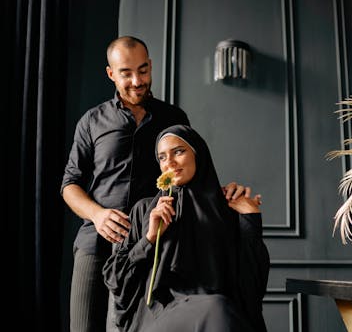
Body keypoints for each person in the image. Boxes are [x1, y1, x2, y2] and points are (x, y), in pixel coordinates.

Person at [61, 36, 253, 332]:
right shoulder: (91, 121)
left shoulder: (174, 117)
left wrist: (224, 193)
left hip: (155, 241)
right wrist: (98, 215)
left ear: (150, 66)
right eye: (126, 73)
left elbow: (191, 169)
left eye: (143, 70)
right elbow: (69, 185)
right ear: (111, 74)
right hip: (97, 240)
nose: (137, 81)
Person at [103, 124, 270, 332]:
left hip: (221, 312)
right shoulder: (145, 210)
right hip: (159, 314)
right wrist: (149, 239)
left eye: (178, 152)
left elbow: (252, 286)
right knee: (216, 309)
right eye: (162, 157)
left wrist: (251, 220)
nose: (169, 163)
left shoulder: (226, 208)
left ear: (198, 154)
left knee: (218, 309)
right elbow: (115, 279)